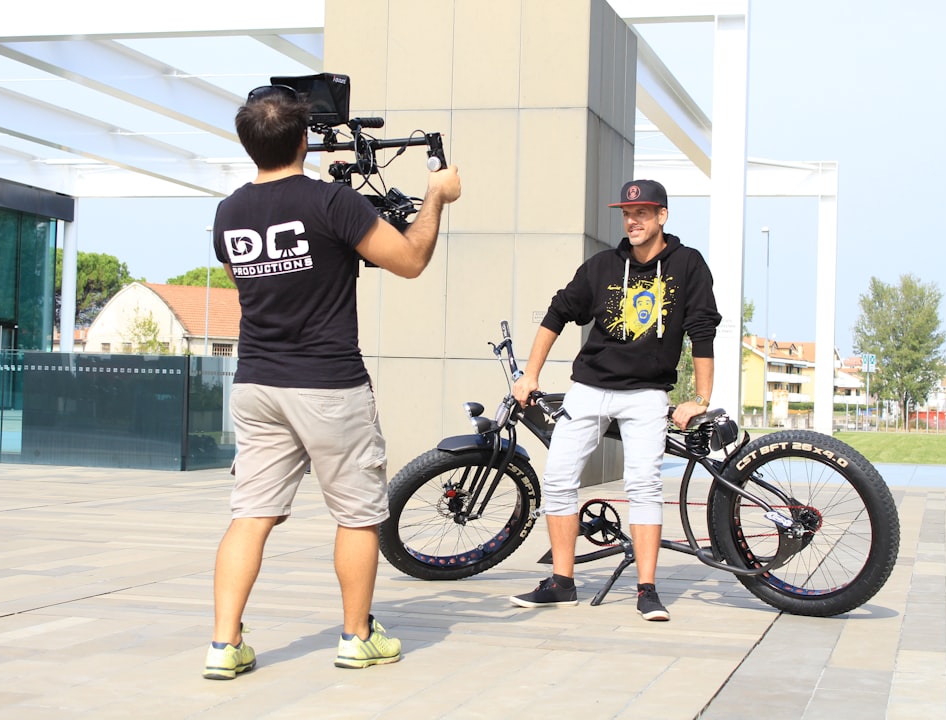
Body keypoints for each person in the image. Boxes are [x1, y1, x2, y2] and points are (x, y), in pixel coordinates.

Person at [203, 84, 461, 679]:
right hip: (327, 383)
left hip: (257, 383)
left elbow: (250, 274)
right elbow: (410, 259)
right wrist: (436, 197)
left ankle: (223, 645)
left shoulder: (229, 211)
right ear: (304, 137)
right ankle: (355, 636)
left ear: (249, 145)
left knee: (251, 515)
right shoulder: (332, 203)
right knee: (357, 514)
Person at [509, 179, 720, 621]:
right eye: (627, 213)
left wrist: (700, 397)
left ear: (662, 215)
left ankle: (647, 590)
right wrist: (531, 374)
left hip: (645, 394)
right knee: (560, 479)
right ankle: (562, 584)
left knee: (643, 485)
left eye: (642, 212)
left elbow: (702, 330)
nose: (633, 220)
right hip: (590, 388)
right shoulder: (604, 265)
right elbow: (557, 312)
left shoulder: (687, 265)